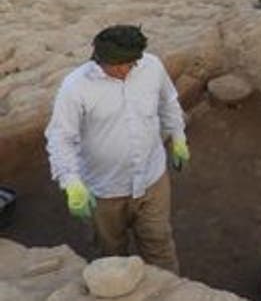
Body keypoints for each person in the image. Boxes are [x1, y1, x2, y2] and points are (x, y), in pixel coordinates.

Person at [44, 25, 188, 273]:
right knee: (110, 255)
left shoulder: (152, 67)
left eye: (130, 63)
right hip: (104, 191)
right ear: (98, 59)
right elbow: (60, 137)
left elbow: (169, 103)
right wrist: (71, 182)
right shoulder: (75, 87)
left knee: (160, 246)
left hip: (152, 181)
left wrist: (178, 137)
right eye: (116, 65)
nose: (124, 70)